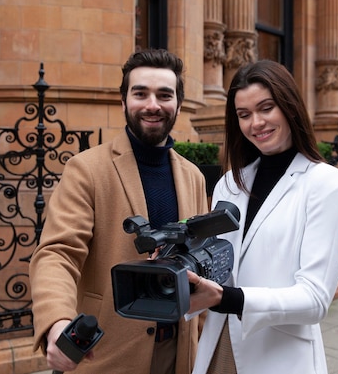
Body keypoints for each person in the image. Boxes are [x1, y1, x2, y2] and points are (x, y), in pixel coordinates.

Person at [29, 48, 208, 374]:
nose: (152, 105)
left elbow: (200, 257)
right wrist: (56, 322)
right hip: (109, 354)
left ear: (178, 105)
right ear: (123, 101)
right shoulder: (86, 169)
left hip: (179, 353)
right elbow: (58, 253)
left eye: (164, 95)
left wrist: (200, 335)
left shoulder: (193, 176)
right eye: (141, 93)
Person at [186, 59, 338, 374]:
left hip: (280, 356)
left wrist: (229, 298)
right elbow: (218, 266)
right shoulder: (229, 184)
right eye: (244, 115)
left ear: (289, 106)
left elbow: (315, 299)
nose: (256, 123)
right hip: (219, 345)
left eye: (266, 108)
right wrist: (180, 267)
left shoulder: (325, 183)